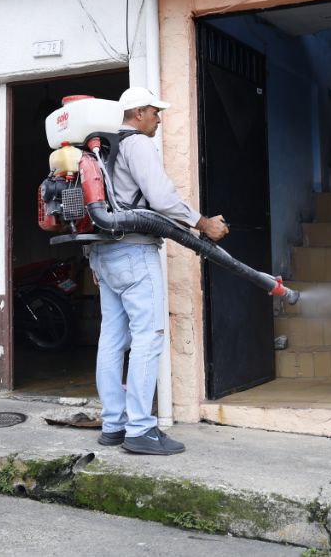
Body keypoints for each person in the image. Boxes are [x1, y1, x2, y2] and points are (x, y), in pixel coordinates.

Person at [91, 86, 229, 455]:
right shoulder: (136, 144)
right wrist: (201, 222)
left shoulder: (103, 147)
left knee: (112, 339)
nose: (159, 118)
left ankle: (113, 424)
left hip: (104, 254)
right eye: (155, 111)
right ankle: (140, 429)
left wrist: (95, 257)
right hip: (135, 252)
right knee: (148, 337)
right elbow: (161, 196)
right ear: (138, 112)